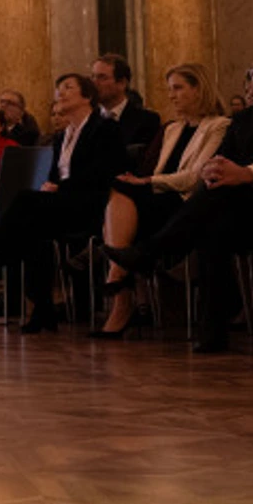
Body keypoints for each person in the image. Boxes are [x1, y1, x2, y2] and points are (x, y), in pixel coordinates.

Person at [106, 45, 253, 353]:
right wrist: (214, 169)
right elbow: (222, 157)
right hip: (245, 206)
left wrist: (248, 173)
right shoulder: (246, 118)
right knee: (212, 220)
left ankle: (152, 252)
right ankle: (211, 331)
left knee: (214, 205)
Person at [93, 63, 228, 336]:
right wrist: (143, 181)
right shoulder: (172, 129)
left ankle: (119, 286)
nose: (171, 95)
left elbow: (196, 177)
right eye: (169, 89)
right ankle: (121, 283)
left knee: (123, 200)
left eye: (178, 88)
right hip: (158, 197)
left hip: (188, 203)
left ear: (198, 89)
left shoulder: (219, 125)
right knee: (119, 187)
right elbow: (153, 170)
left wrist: (149, 182)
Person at [0, 74, 127, 332]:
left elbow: (103, 174)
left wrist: (61, 188)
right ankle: (43, 309)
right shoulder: (62, 137)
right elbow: (54, 176)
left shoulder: (105, 129)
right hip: (62, 205)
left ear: (87, 96)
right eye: (58, 88)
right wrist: (51, 186)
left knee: (25, 203)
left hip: (92, 205)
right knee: (32, 230)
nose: (60, 92)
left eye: (68, 88)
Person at [89, 54, 160, 155]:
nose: (94, 83)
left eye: (102, 77)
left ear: (122, 83)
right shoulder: (89, 119)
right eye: (93, 77)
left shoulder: (146, 120)